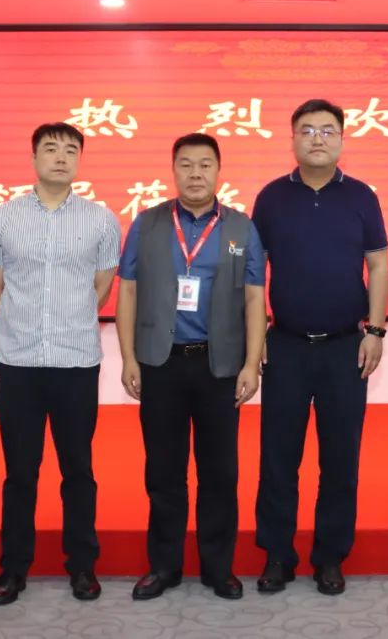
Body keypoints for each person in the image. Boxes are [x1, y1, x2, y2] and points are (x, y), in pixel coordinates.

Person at [116, 133, 266, 601]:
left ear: (218, 171)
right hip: (160, 364)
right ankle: (164, 567)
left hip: (218, 366)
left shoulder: (241, 227)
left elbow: (255, 299)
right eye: (186, 164)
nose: (195, 173)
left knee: (220, 473)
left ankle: (218, 568)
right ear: (173, 170)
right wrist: (128, 357)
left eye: (205, 164)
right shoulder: (147, 224)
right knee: (164, 471)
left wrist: (251, 363)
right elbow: (127, 291)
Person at [0, 122, 120, 605]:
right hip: (19, 362)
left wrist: (67, 318)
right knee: (20, 472)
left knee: (78, 470)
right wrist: (26, 319)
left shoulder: (101, 220)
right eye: (51, 148)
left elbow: (101, 287)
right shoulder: (2, 219)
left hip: (76, 363)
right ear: (34, 157)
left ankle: (82, 566)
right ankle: (13, 569)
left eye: (70, 150)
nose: (61, 157)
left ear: (80, 159)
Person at [252, 98, 388, 596]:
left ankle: (330, 557)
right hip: (285, 346)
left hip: (344, 347)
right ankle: (277, 555)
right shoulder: (271, 198)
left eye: (327, 130)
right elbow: (253, 275)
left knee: (340, 458)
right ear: (292, 139)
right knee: (278, 457)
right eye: (307, 130)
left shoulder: (361, 196)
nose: (317, 138)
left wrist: (376, 331)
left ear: (342, 139)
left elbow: (378, 265)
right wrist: (255, 341)